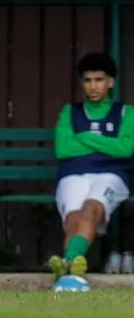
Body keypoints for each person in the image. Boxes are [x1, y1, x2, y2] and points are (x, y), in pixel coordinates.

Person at [50, 52, 133, 280]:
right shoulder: (70, 112)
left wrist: (84, 136)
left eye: (99, 80)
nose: (93, 86)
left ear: (110, 82)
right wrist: (107, 144)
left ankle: (68, 262)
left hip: (111, 175)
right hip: (72, 174)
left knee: (91, 209)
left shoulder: (126, 113)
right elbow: (63, 149)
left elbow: (126, 149)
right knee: (73, 218)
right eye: (87, 80)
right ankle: (71, 269)